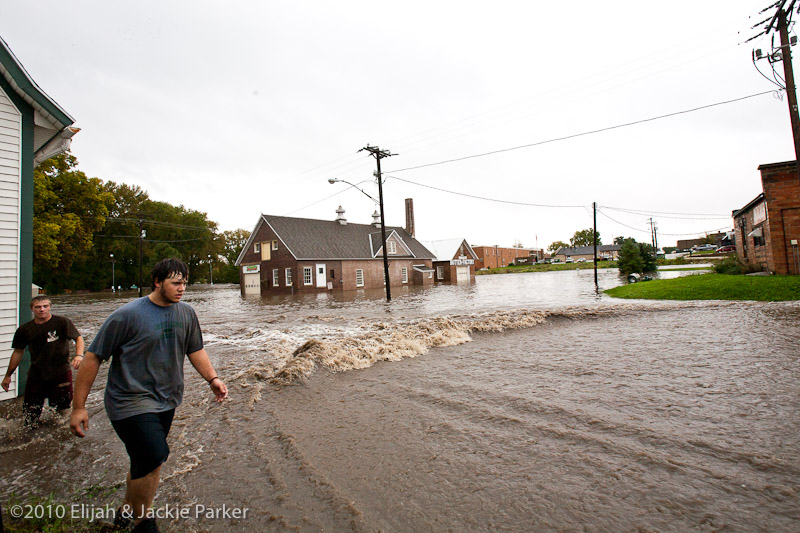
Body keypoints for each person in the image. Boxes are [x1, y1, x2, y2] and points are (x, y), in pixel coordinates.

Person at [70, 258, 228, 533]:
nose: (182, 289)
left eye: (185, 283)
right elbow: (93, 357)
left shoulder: (186, 313)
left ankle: (126, 511)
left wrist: (212, 378)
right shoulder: (127, 315)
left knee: (143, 461)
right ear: (158, 282)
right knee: (155, 455)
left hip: (167, 399)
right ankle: (143, 523)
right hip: (128, 400)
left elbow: (195, 349)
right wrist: (78, 407)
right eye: (175, 283)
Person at [2, 296, 84, 428]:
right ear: (32, 309)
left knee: (62, 411)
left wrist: (79, 355)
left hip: (60, 372)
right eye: (38, 307)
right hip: (36, 374)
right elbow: (18, 352)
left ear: (50, 307)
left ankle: (59, 436)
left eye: (45, 306)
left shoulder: (62, 322)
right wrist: (8, 375)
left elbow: (78, 338)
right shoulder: (25, 330)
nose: (42, 310)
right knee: (30, 413)